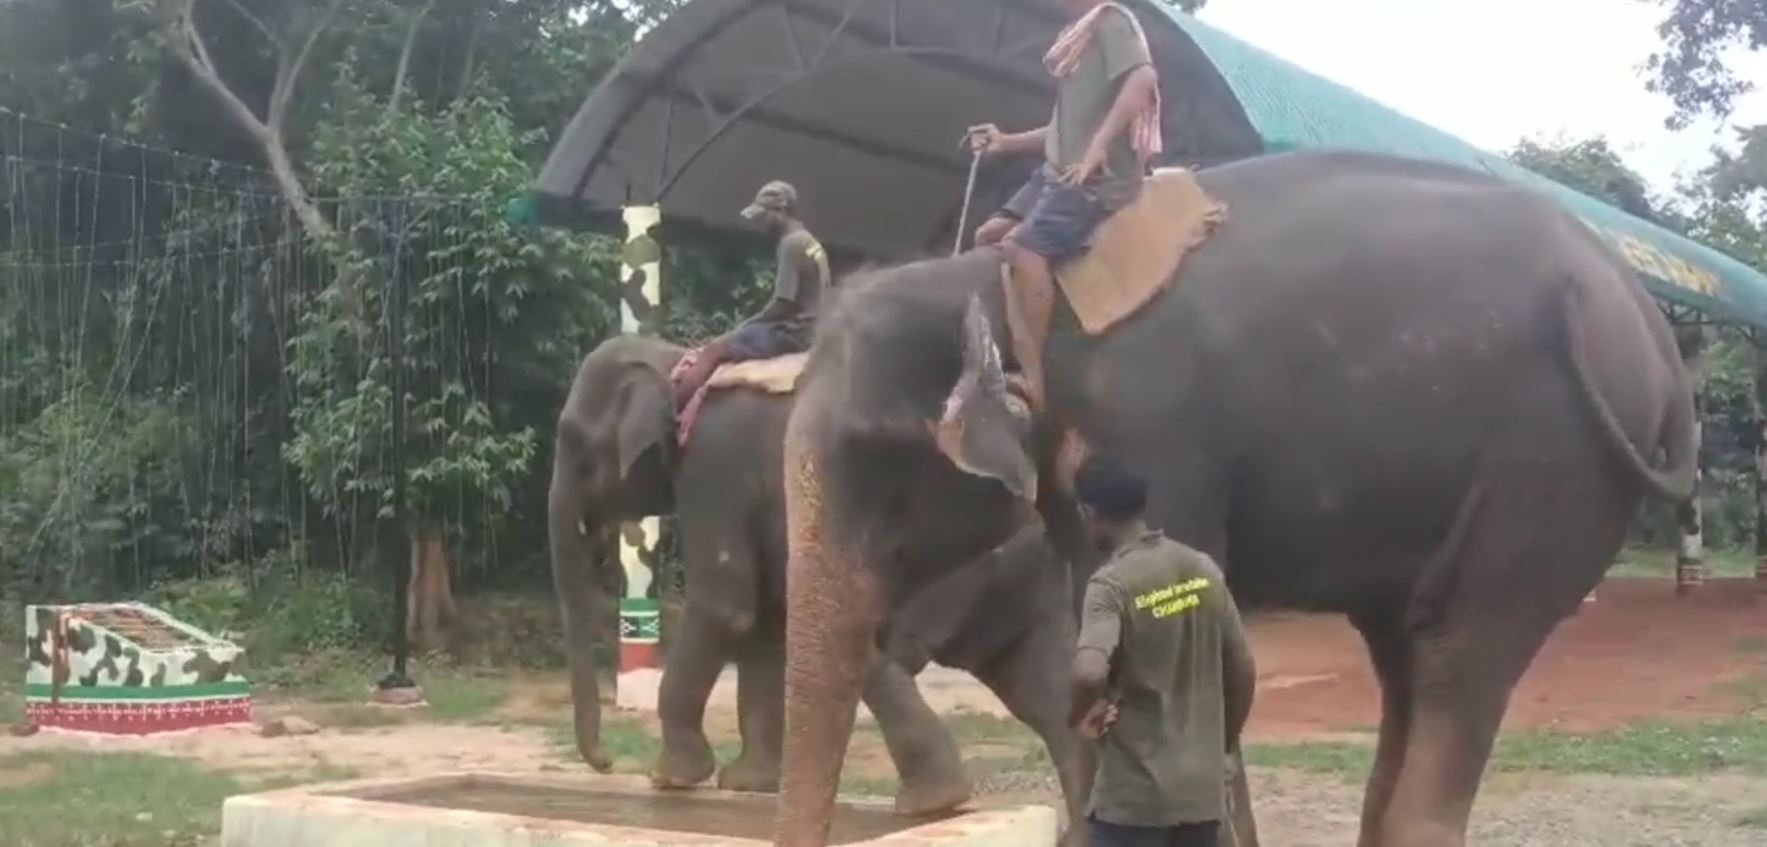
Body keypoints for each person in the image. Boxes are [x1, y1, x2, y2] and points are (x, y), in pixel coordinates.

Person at [967, 0, 1161, 412]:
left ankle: (1032, 377)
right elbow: (1062, 128)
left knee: (1024, 249)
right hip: (1056, 172)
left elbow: (1143, 78)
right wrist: (1006, 141)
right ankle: (993, 340)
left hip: (1093, 175)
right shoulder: (1079, 38)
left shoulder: (1113, 21)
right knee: (987, 236)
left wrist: (1098, 148)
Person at [1068, 454, 1255, 847]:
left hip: (1134, 805)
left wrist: (1078, 716)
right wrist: (1221, 748)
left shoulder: (1111, 585)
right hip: (1201, 801)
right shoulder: (1203, 570)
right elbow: (1242, 671)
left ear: (1089, 512)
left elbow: (1089, 672)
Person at [672, 180, 830, 409]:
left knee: (714, 350)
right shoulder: (811, 242)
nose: (762, 223)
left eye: (764, 215)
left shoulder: (790, 244)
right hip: (813, 331)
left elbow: (782, 304)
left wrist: (744, 326)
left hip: (792, 334)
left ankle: (673, 414)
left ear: (780, 211)